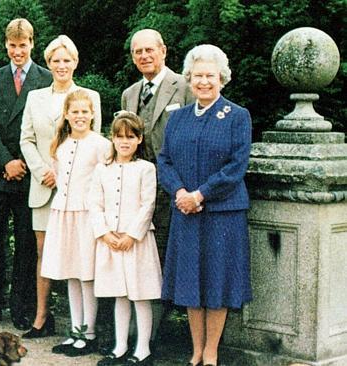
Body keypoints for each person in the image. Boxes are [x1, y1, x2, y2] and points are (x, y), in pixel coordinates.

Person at [157, 44, 252, 366]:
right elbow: (165, 160)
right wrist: (181, 192)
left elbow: (236, 167)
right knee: (190, 282)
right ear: (189, 78)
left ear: (221, 78)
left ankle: (211, 352)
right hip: (185, 212)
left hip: (222, 214)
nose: (204, 82)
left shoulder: (238, 116)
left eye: (210, 75)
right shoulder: (179, 117)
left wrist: (200, 195)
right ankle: (195, 350)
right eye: (198, 76)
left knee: (217, 283)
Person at [20, 34, 101, 339]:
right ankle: (42, 316)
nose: (61, 65)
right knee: (45, 253)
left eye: (67, 60)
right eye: (56, 60)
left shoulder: (89, 96)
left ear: (76, 62)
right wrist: (42, 171)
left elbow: (95, 145)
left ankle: (81, 326)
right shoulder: (35, 97)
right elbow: (25, 139)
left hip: (78, 193)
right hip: (44, 187)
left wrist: (66, 175)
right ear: (48, 63)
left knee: (79, 255)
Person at [0, 18, 53, 331]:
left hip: (31, 171)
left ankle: (22, 308)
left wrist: (24, 162)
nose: (17, 51)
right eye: (12, 45)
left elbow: (45, 127)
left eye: (23, 45)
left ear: (32, 43)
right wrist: (7, 161)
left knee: (26, 244)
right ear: (5, 45)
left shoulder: (46, 78)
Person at [120, 27, 195, 342]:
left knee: (164, 257)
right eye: (138, 52)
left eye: (149, 50)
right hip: (137, 191)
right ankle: (138, 334)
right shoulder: (129, 94)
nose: (144, 56)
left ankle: (152, 336)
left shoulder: (185, 88)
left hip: (171, 190)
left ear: (163, 51)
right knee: (139, 256)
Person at [41, 90, 110, 357]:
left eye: (85, 112)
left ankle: (89, 333)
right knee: (71, 272)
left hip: (86, 214)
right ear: (67, 115)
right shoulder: (61, 145)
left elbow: (104, 183)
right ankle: (75, 330)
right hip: (64, 212)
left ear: (92, 114)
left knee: (86, 273)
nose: (80, 116)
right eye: (75, 112)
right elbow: (59, 179)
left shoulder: (100, 144)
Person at [90, 112, 162, 365]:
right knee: (119, 294)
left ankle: (143, 349)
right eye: (119, 137)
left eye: (130, 137)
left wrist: (132, 235)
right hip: (111, 241)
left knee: (140, 294)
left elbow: (148, 204)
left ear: (140, 139)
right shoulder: (102, 169)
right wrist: (106, 233)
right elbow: (95, 204)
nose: (124, 142)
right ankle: (120, 346)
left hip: (137, 242)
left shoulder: (146, 168)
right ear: (112, 138)